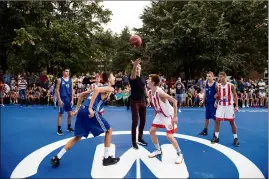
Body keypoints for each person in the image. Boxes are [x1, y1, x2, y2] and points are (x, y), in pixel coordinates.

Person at [50, 72, 120, 167]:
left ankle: (57, 157)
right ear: (108, 79)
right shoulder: (109, 88)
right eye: (113, 76)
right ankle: (107, 158)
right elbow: (96, 90)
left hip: (82, 110)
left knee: (77, 137)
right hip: (90, 111)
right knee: (109, 130)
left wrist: (76, 110)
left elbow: (82, 95)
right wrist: (91, 107)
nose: (114, 77)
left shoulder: (101, 87)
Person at [146, 74, 183, 164]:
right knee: (152, 131)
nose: (147, 80)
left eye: (149, 79)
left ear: (153, 82)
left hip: (168, 115)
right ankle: (158, 150)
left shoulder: (160, 92)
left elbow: (174, 101)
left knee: (169, 136)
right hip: (160, 114)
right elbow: (155, 106)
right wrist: (155, 117)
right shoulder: (150, 92)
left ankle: (179, 154)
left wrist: (175, 117)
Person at [211, 72, 240, 147]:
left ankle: (236, 138)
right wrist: (216, 100)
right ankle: (216, 137)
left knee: (232, 122)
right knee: (217, 121)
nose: (220, 78)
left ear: (225, 77)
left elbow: (235, 96)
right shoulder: (218, 86)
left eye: (221, 77)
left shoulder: (231, 86)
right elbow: (218, 95)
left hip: (229, 106)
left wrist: (236, 106)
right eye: (219, 77)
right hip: (220, 106)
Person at [129, 58, 148, 149]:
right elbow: (133, 75)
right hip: (135, 101)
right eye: (136, 67)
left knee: (143, 120)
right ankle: (134, 141)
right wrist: (134, 65)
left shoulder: (143, 77)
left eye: (138, 67)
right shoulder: (132, 77)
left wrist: (147, 97)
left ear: (141, 69)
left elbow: (144, 88)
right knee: (135, 121)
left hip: (143, 101)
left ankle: (140, 138)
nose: (137, 68)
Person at [199, 72, 218, 136]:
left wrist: (217, 96)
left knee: (215, 119)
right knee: (207, 117)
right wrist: (203, 100)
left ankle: (216, 133)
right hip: (208, 103)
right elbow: (205, 93)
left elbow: (219, 93)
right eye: (207, 76)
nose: (208, 77)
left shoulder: (216, 84)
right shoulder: (205, 83)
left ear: (212, 77)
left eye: (209, 76)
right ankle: (205, 130)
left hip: (214, 104)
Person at [56, 68, 74, 135]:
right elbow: (57, 90)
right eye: (66, 71)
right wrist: (59, 100)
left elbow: (72, 90)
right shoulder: (59, 80)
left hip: (69, 99)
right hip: (62, 99)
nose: (67, 73)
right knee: (60, 114)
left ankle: (69, 127)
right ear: (63, 72)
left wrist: (72, 99)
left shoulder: (71, 80)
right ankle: (59, 129)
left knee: (70, 114)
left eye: (68, 71)